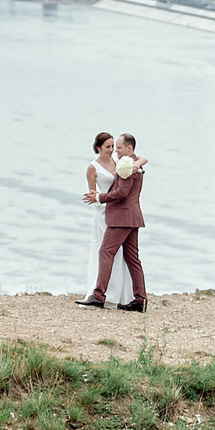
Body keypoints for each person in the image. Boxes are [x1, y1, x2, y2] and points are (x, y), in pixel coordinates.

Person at [79, 132, 147, 312]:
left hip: (121, 218)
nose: (116, 151)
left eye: (119, 147)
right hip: (133, 217)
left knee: (106, 252)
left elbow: (121, 193)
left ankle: (99, 295)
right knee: (132, 259)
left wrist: (99, 197)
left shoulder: (125, 165)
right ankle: (140, 300)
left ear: (129, 148)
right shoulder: (135, 164)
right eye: (113, 147)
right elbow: (143, 160)